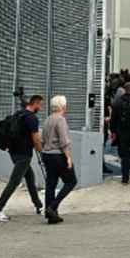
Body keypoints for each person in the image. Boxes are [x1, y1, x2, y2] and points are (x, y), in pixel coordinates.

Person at [0, 95, 45, 222]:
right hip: (24, 155)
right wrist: (41, 151)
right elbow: (36, 139)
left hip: (14, 152)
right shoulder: (32, 118)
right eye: (40, 105)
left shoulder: (19, 114)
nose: (40, 108)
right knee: (14, 182)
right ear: (35, 103)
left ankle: (39, 206)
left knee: (30, 178)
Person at [40, 95, 77, 224]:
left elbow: (42, 139)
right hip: (58, 155)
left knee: (51, 183)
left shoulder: (48, 119)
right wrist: (68, 158)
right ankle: (53, 207)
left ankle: (50, 214)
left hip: (46, 154)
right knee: (71, 181)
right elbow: (64, 141)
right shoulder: (60, 120)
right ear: (63, 106)